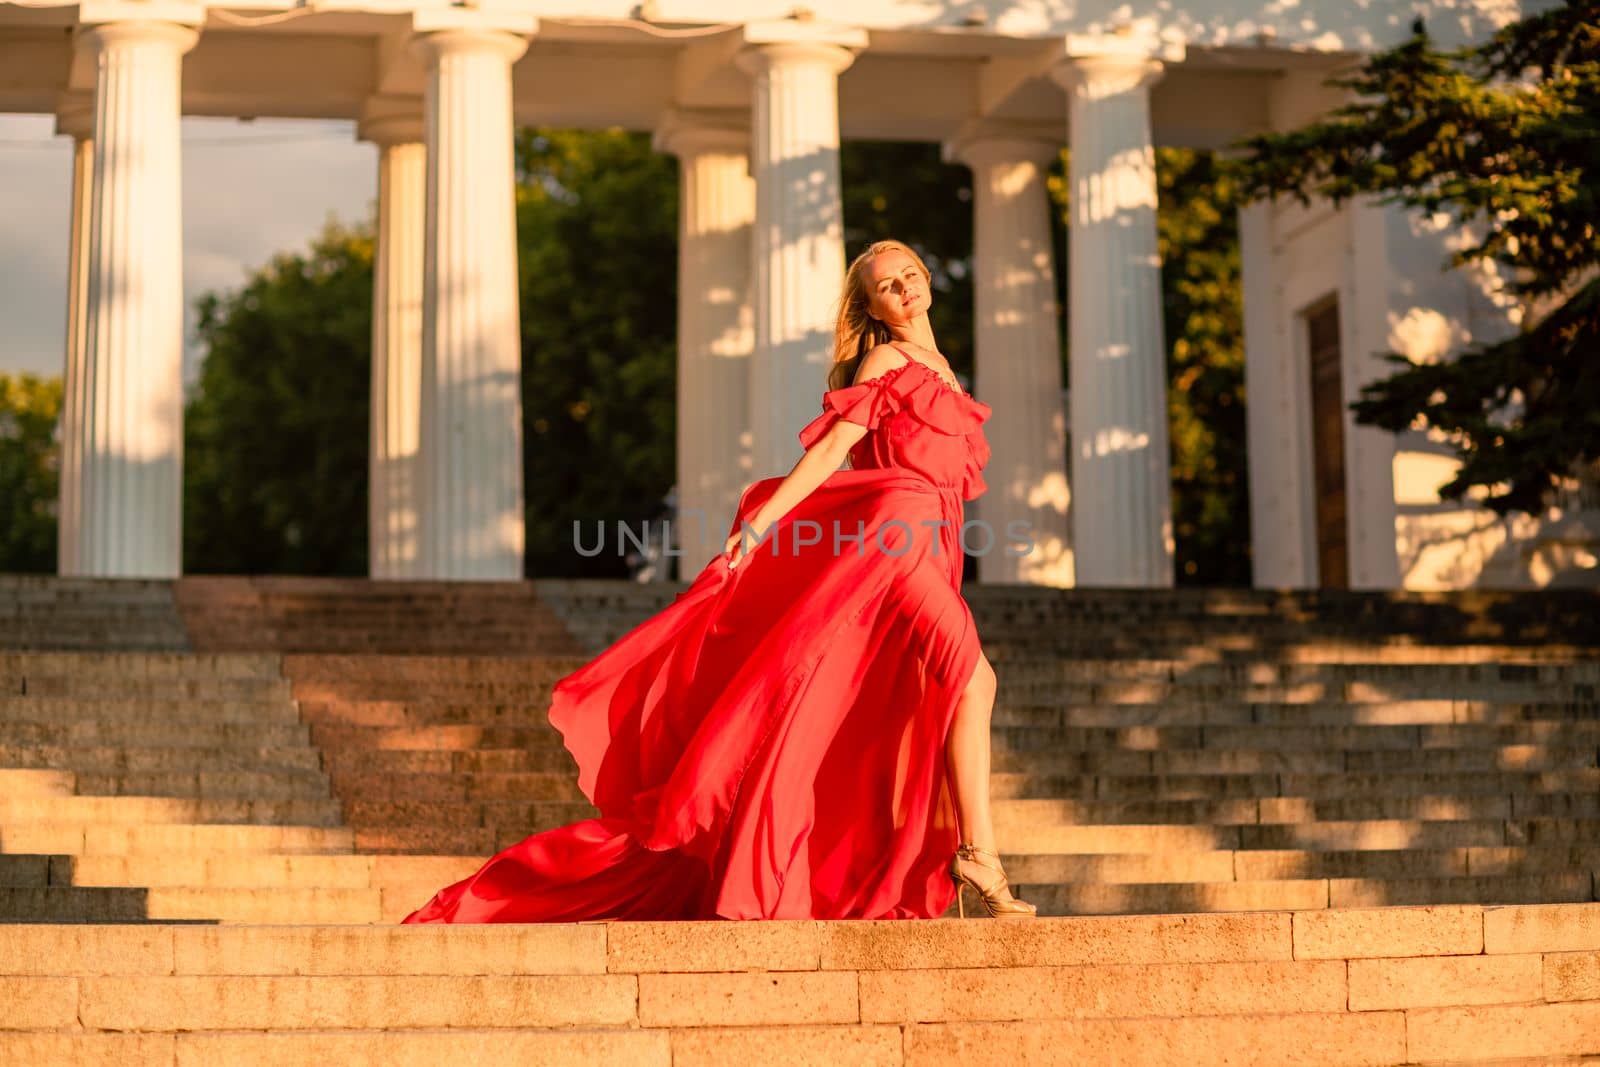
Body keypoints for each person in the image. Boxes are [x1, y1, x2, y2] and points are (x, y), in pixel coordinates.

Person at [402, 239, 1036, 923]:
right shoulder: (885, 360)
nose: (906, 288)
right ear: (872, 306)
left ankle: (957, 849)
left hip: (936, 539)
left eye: (912, 274)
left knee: (925, 697)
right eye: (888, 284)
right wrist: (763, 520)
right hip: (895, 539)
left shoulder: (941, 368)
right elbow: (831, 450)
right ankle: (978, 852)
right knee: (974, 678)